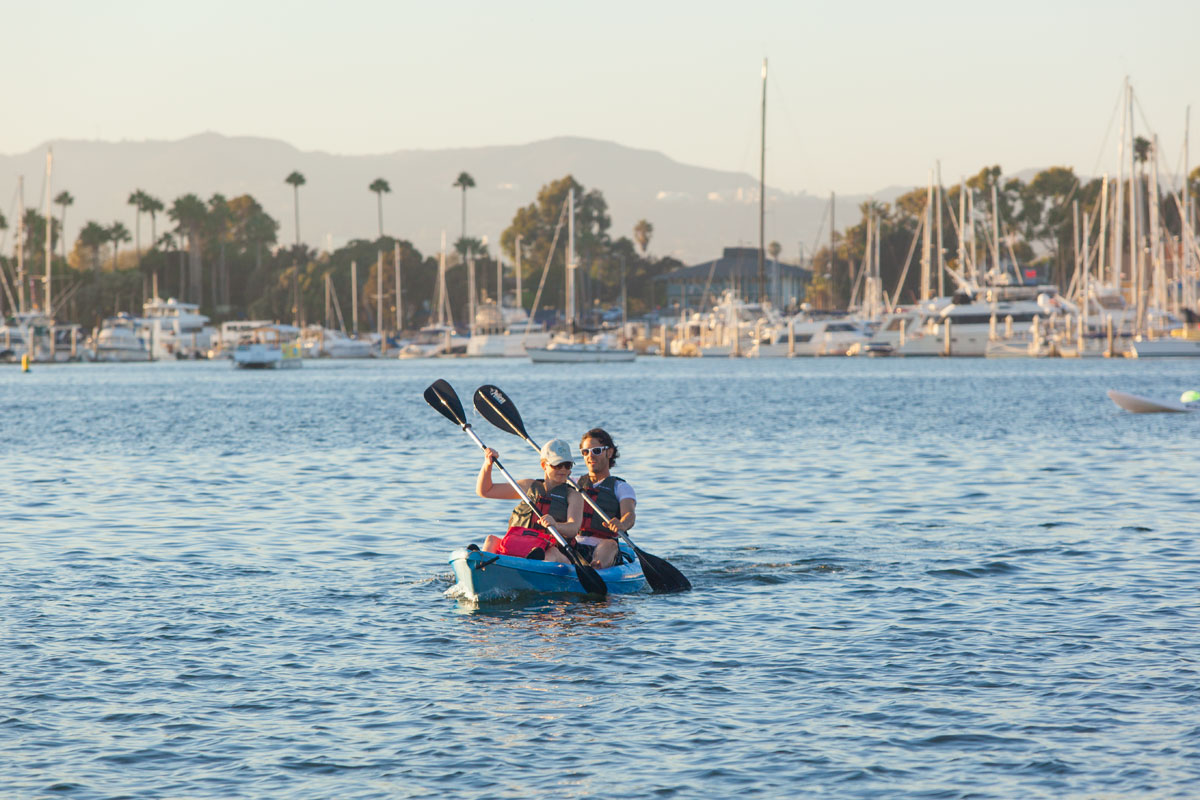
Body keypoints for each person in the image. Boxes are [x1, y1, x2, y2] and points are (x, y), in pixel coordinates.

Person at [477, 438, 583, 563]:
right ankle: (482, 569)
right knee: (491, 540)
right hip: (522, 545)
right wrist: (488, 464)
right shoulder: (528, 486)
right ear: (544, 465)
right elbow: (485, 491)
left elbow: (573, 528)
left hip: (555, 550)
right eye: (557, 465)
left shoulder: (573, 495)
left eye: (567, 465)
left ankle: (536, 570)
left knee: (551, 554)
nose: (563, 470)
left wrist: (555, 525)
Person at [573, 428, 635, 569]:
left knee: (609, 544)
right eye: (585, 452)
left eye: (596, 451)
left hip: (604, 546)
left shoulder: (620, 487)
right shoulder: (573, 483)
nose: (590, 456)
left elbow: (629, 514)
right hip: (574, 545)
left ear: (609, 452)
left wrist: (622, 524)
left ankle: (596, 569)